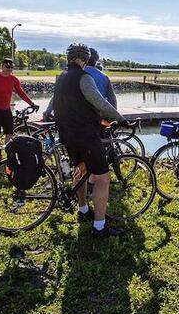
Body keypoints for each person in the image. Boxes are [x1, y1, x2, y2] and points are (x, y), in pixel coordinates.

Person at [53, 43, 127, 238]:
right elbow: (100, 102)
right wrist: (120, 118)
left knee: (81, 169)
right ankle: (100, 227)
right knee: (103, 177)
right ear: (84, 59)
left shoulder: (61, 77)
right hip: (85, 135)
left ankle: (83, 210)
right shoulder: (84, 78)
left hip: (67, 134)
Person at [0, 58, 38, 160]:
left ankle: (9, 155)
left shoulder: (14, 79)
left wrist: (32, 103)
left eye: (11, 67)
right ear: (2, 66)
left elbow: (21, 93)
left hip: (6, 109)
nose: (9, 69)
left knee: (9, 133)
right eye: (7, 66)